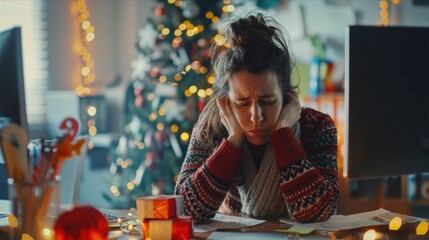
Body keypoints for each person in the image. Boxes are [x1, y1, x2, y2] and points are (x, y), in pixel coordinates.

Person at [174, 13, 339, 223]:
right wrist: (232, 141)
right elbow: (185, 209)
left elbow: (321, 211)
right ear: (226, 102)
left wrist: (283, 135)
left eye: (268, 101)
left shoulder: (317, 127)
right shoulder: (211, 129)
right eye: (242, 103)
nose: (256, 116)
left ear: (287, 97)